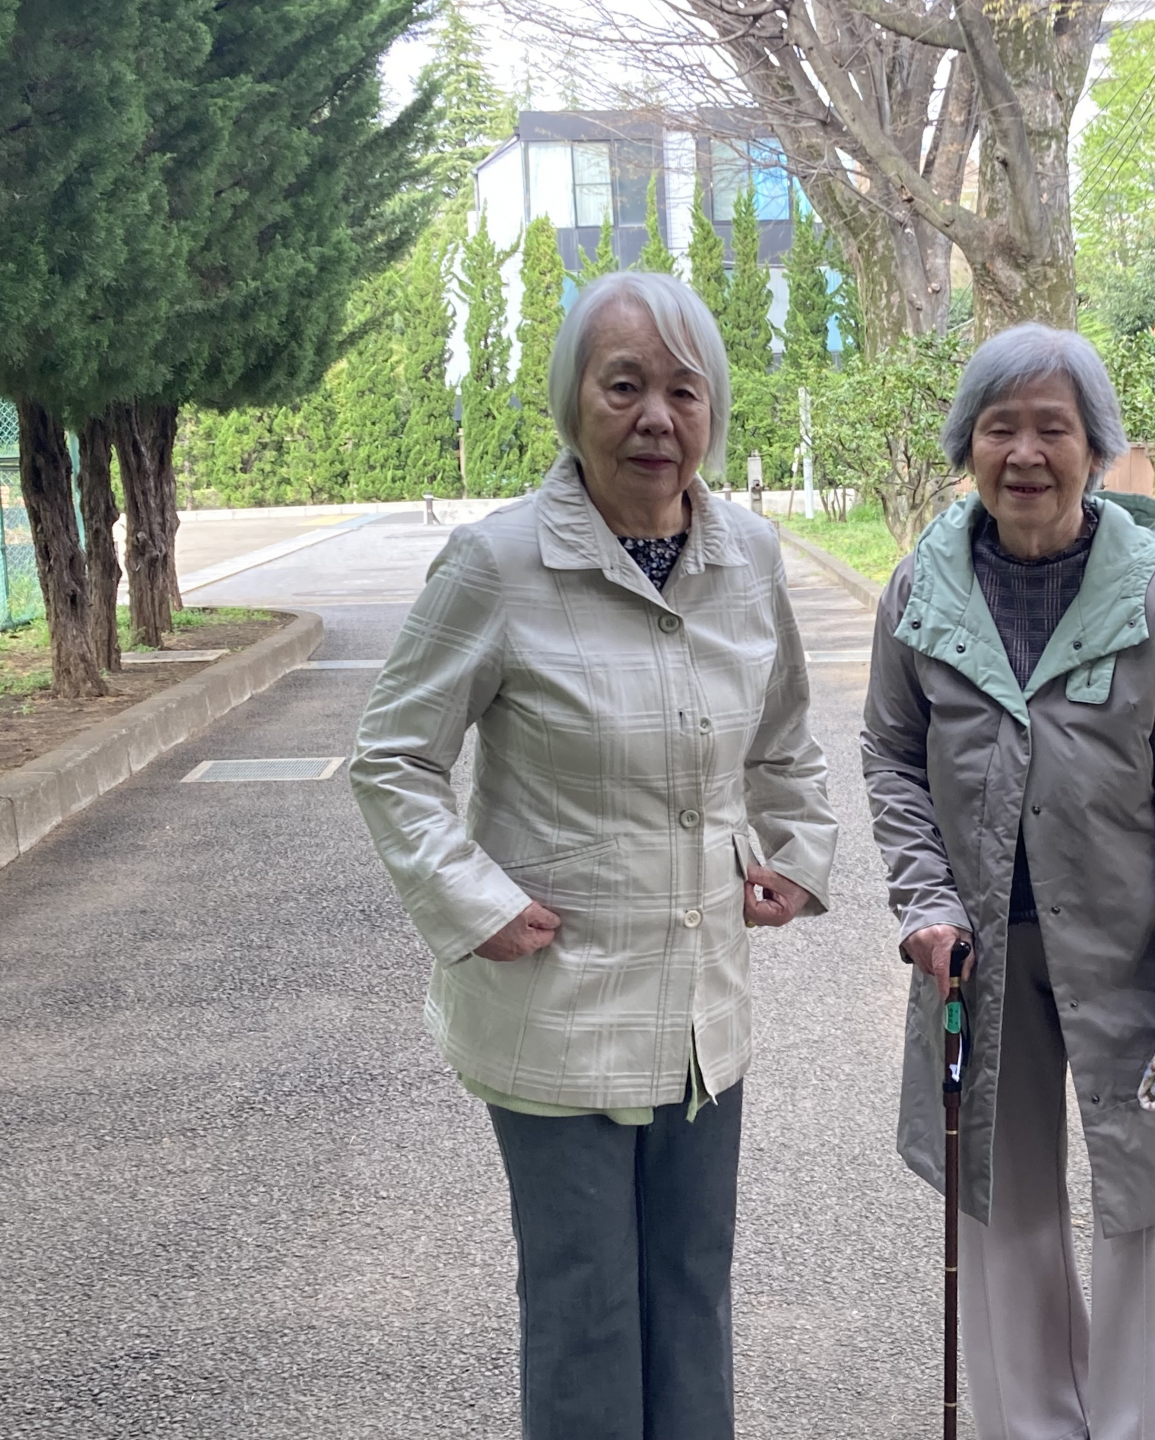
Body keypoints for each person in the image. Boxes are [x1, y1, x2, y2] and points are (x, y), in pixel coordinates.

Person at [350, 270, 837, 1440]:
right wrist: (472, 899)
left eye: (683, 390)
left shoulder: (750, 556)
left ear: (713, 410)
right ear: (574, 399)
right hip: (560, 1011)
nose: (656, 418)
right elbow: (394, 756)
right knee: (587, 1310)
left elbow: (783, 739)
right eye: (624, 386)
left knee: (693, 1293)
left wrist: (797, 853)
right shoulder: (498, 563)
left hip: (701, 1014)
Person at [860, 323, 1155, 1440]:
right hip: (983, 952)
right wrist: (926, 900)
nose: (1026, 454)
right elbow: (891, 757)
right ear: (968, 445)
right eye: (1000, 427)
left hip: (1144, 954)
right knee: (1003, 1207)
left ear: (1097, 448)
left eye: (1054, 428)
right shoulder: (920, 589)